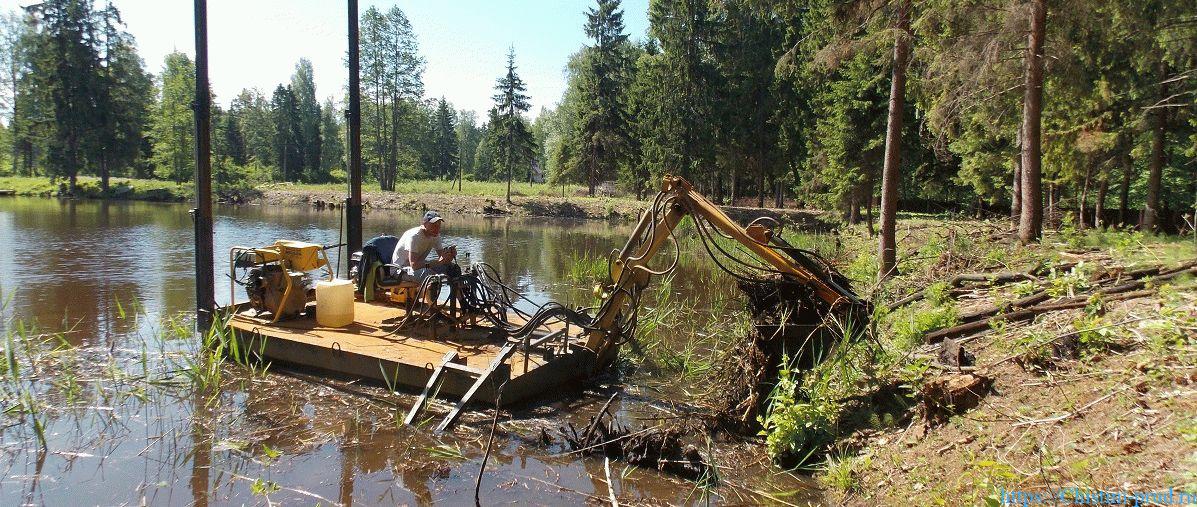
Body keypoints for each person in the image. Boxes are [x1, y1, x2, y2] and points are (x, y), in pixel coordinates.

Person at [393, 210, 458, 282]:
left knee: (453, 268)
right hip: (400, 270)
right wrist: (437, 262)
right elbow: (414, 265)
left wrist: (450, 255)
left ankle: (456, 292)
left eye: (438, 225)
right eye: (433, 225)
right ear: (424, 223)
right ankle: (429, 292)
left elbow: (443, 260)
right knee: (429, 275)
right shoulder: (414, 236)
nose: (437, 229)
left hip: (417, 268)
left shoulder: (435, 235)